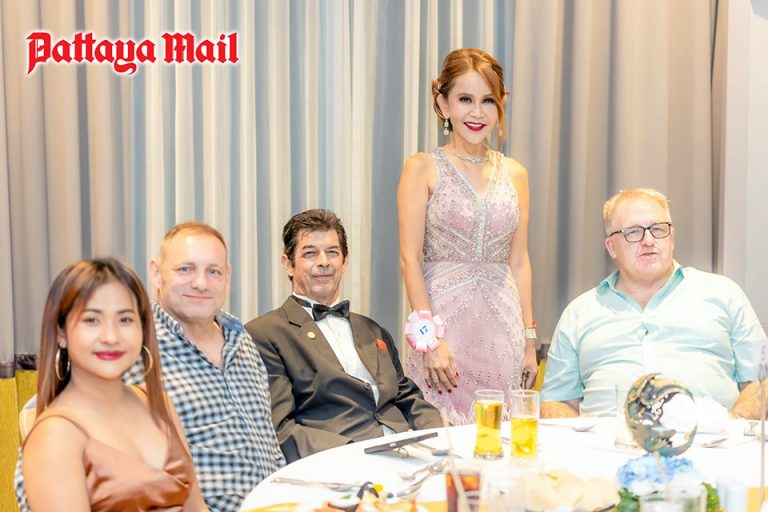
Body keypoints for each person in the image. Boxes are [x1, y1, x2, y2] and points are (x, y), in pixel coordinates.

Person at [398, 47, 538, 424]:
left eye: (488, 100)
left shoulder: (516, 174)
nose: (477, 113)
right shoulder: (422, 168)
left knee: (500, 438)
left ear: (501, 103)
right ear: (442, 103)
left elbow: (520, 262)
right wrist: (428, 341)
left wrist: (529, 340)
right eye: (465, 99)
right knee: (442, 438)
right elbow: (409, 260)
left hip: (503, 329)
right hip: (444, 332)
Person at [541, 188, 766, 419]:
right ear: (611, 247)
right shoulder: (579, 313)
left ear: (672, 239)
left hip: (712, 436)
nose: (648, 241)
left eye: (658, 229)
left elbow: (762, 380)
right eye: (633, 232)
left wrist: (732, 426)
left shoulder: (724, 294)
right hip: (606, 438)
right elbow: (556, 401)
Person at [245, 209, 442, 463]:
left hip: (410, 452)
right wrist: (350, 454)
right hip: (341, 462)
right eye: (310, 253)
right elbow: (280, 429)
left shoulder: (373, 330)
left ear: (345, 261)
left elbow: (406, 397)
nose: (323, 262)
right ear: (288, 264)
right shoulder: (264, 334)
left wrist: (445, 436)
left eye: (332, 252)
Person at [18, 258, 208, 511]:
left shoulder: (159, 403)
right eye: (91, 320)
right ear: (61, 333)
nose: (111, 337)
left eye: (125, 320)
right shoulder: (55, 435)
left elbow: (197, 508)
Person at [124, 222, 285, 512]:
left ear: (228, 277)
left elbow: (268, 442)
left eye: (214, 271)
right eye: (185, 269)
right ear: (156, 273)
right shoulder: (134, 351)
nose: (201, 283)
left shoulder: (241, 339)